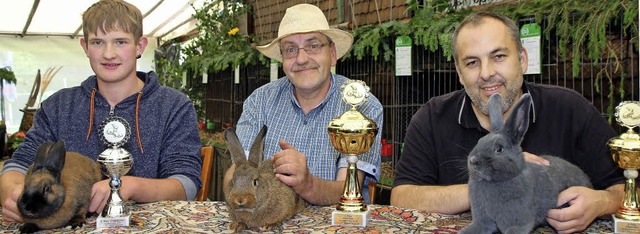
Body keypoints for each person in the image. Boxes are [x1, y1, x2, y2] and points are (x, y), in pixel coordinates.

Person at [390, 11, 624, 234]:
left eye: (498, 56)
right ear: (459, 73)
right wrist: (489, 186)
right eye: (472, 62)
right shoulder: (431, 118)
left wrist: (604, 202)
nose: (486, 73)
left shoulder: (570, 108)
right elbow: (402, 197)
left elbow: (628, 187)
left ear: (522, 59)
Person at [0, 0, 202, 223]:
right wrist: (13, 194)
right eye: (98, 42)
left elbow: (186, 184)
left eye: (120, 42)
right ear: (85, 46)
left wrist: (129, 186)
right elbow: (18, 165)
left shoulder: (174, 106)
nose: (109, 54)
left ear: (140, 46)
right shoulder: (57, 106)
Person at [223, 4, 383, 205]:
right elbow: (236, 174)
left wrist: (308, 184)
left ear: (332, 53)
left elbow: (350, 188)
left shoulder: (361, 105)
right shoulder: (260, 101)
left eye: (313, 46)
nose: (301, 58)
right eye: (290, 49)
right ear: (282, 60)